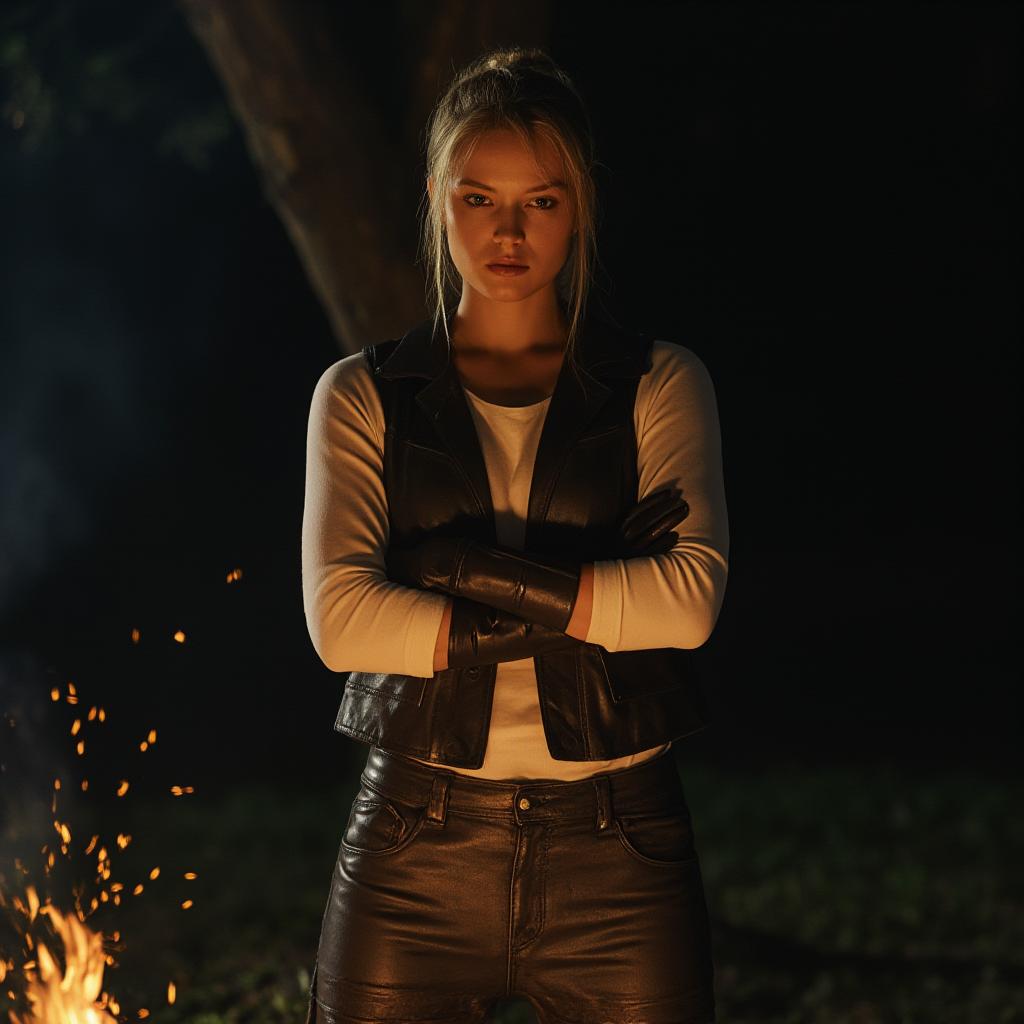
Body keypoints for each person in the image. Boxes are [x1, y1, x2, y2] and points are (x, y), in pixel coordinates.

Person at [301, 46, 728, 1024]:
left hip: (620, 849)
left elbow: (691, 601)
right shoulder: (361, 396)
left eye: (539, 200)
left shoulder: (660, 384)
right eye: (477, 198)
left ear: (578, 204)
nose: (506, 230)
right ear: (435, 197)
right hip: (413, 845)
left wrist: (443, 572)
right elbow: (339, 623)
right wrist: (601, 584)